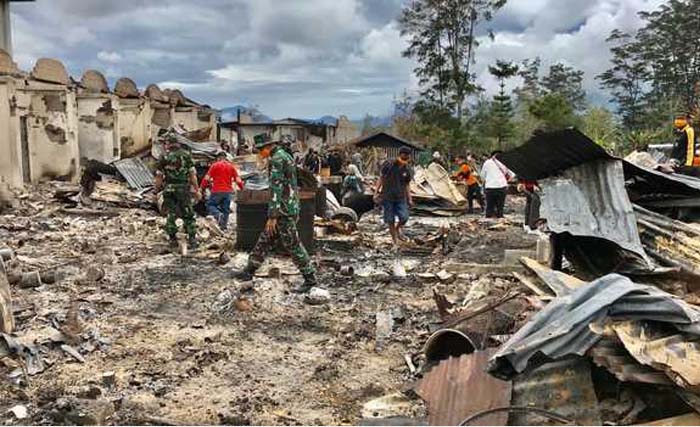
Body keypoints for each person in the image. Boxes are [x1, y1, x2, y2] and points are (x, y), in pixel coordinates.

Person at [232, 134, 317, 293]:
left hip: (283, 210)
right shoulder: (285, 155)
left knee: (292, 244)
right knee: (265, 239)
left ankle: (310, 278)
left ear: (267, 147)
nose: (259, 153)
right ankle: (249, 271)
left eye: (259, 150)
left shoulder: (276, 160)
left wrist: (272, 215)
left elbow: (276, 189)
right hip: (290, 206)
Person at [155, 135, 199, 250]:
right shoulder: (186, 155)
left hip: (169, 188)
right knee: (188, 212)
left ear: (168, 144)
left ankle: (173, 240)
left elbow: (159, 176)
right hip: (183, 188)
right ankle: (192, 239)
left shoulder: (163, 156)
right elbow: (192, 175)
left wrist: (156, 191)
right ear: (178, 144)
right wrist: (197, 189)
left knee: (171, 214)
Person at [375, 146, 414, 246]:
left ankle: (397, 228)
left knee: (404, 217)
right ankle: (395, 241)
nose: (406, 157)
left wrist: (409, 198)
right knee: (390, 219)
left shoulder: (407, 169)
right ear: (400, 154)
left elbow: (407, 184)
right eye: (404, 155)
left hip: (401, 197)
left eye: (407, 156)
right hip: (387, 197)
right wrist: (376, 192)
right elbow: (381, 177)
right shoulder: (389, 164)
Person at [201, 151, 244, 230]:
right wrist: (242, 189)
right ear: (225, 158)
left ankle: (218, 215)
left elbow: (206, 178)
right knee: (226, 210)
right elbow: (238, 180)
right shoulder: (231, 167)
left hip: (216, 190)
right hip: (228, 192)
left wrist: (202, 188)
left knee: (210, 205)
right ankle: (223, 227)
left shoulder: (214, 166)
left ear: (218, 158)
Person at [481, 150, 513, 219]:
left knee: (489, 206)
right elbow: (512, 174)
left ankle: (488, 220)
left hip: (490, 187)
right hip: (501, 187)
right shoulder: (505, 162)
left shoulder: (487, 162)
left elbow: (482, 176)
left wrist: (486, 181)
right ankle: (500, 219)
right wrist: (506, 180)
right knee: (500, 206)